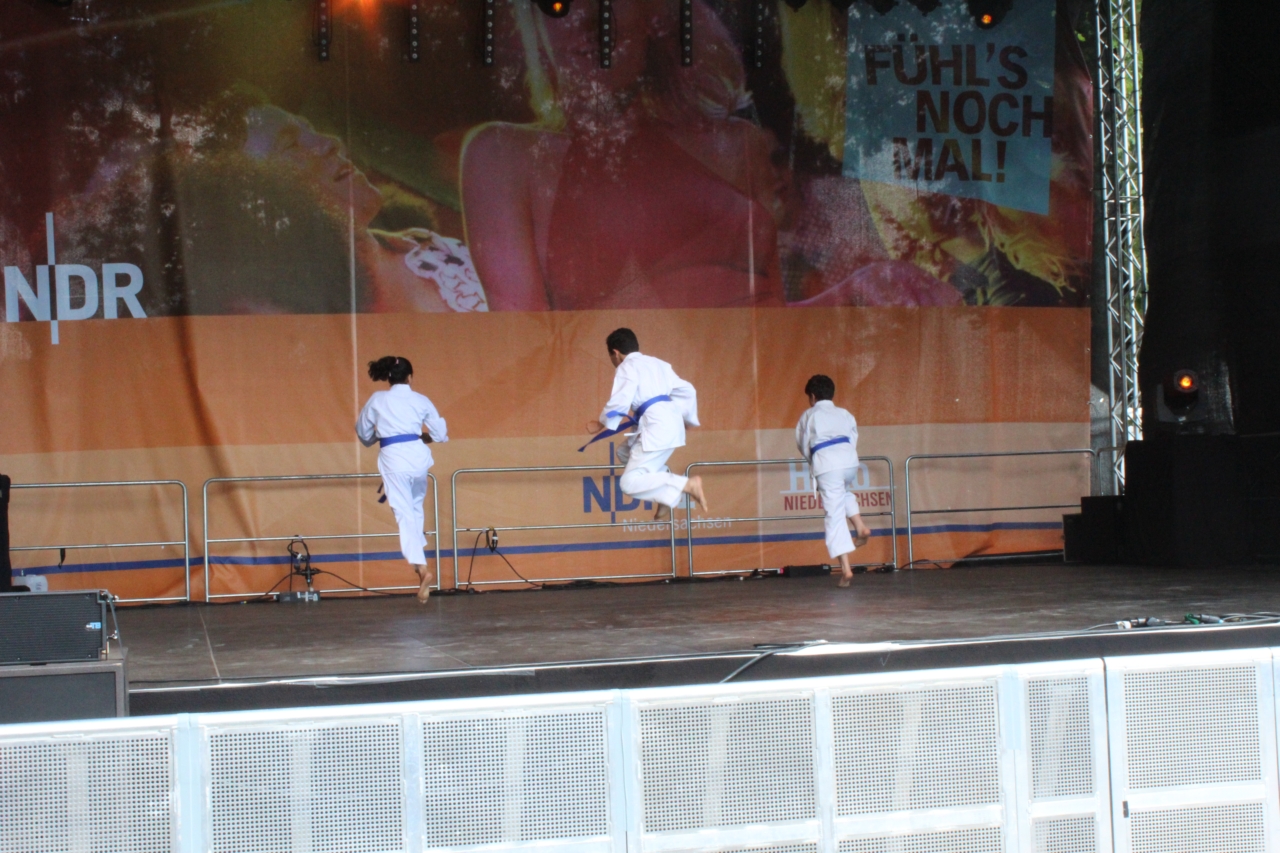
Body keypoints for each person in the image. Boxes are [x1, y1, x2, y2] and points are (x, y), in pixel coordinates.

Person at [586, 328, 708, 520]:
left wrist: (601, 423)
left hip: (656, 426)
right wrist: (687, 418)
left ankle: (684, 485)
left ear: (615, 353)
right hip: (669, 422)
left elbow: (620, 401)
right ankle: (665, 495)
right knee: (624, 452)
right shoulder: (658, 364)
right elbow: (688, 390)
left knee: (628, 484)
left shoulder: (626, 367)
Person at [356, 356, 448, 603]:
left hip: (394, 460)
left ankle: (422, 568)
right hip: (418, 459)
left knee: (404, 513)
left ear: (388, 377)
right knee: (415, 508)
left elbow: (363, 432)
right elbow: (440, 434)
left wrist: (376, 438)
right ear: (410, 377)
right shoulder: (421, 400)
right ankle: (421, 568)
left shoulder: (378, 399)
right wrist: (422, 437)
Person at [795, 374, 872, 588]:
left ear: (812, 396)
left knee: (834, 516)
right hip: (849, 460)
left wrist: (816, 461)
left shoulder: (809, 415)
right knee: (843, 492)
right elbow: (853, 437)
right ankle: (860, 526)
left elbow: (802, 444)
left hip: (827, 462)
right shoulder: (844, 413)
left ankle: (846, 570)